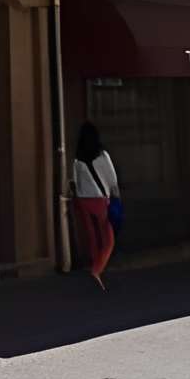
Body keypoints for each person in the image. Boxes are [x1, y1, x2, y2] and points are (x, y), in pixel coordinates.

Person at [71, 120, 120, 290]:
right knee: (108, 239)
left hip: (83, 200)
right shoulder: (102, 155)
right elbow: (112, 178)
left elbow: (75, 182)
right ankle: (97, 270)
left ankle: (94, 266)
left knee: (92, 235)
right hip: (100, 199)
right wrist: (116, 196)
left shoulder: (77, 159)